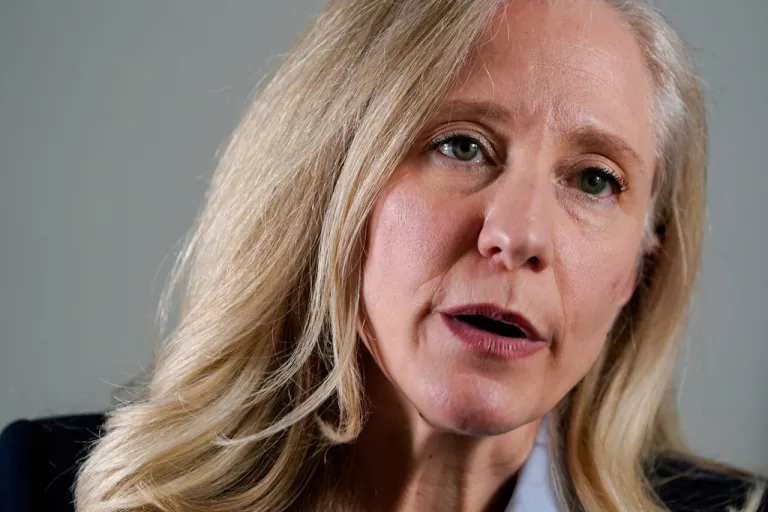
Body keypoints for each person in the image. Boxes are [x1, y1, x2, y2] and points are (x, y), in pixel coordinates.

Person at [31, 0, 763, 510]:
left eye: (596, 180)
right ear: (325, 184)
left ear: (642, 267)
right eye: (462, 146)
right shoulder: (41, 488)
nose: (521, 235)